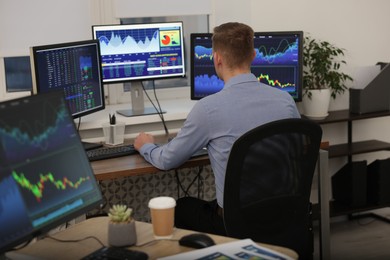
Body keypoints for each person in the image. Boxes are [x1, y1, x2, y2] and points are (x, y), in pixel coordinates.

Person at [134, 22, 300, 236]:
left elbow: (167, 160)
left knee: (182, 207)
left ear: (217, 59)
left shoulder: (208, 109)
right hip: (282, 218)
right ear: (253, 55)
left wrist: (146, 146)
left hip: (236, 224)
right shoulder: (285, 100)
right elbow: (298, 151)